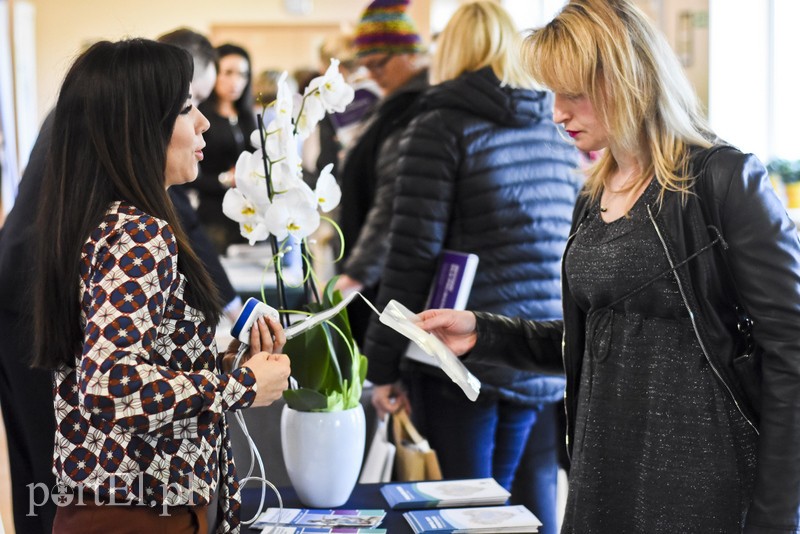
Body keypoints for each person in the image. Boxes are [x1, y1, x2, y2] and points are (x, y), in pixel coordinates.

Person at [415, 0, 800, 532]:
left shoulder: (722, 179)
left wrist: (777, 516)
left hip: (706, 484)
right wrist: (486, 332)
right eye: (552, 93)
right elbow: (601, 339)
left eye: (573, 94)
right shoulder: (592, 196)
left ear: (631, 80)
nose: (556, 112)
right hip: (603, 476)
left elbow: (792, 351)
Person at [30, 39, 291, 533]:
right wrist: (242, 385)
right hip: (140, 511)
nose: (204, 123)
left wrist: (217, 361)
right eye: (187, 108)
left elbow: (126, 358)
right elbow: (110, 384)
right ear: (140, 126)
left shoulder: (103, 219)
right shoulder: (137, 233)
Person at [361, 4, 580, 533]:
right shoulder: (554, 129)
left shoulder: (437, 128)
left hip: (461, 351)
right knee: (532, 508)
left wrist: (382, 365)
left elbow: (411, 254)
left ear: (450, 50)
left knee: (466, 513)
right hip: (543, 348)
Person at [333, 0, 429, 344]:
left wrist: (358, 272)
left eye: (379, 63)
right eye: (366, 65)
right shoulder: (394, 103)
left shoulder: (416, 107)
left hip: (386, 274)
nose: (372, 73)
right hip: (375, 268)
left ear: (410, 53)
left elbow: (395, 196)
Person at [192, 43, 257, 254]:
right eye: (228, 73)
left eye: (243, 74)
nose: (236, 82)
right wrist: (226, 180)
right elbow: (192, 177)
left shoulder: (248, 117)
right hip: (214, 215)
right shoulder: (201, 117)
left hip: (249, 214)